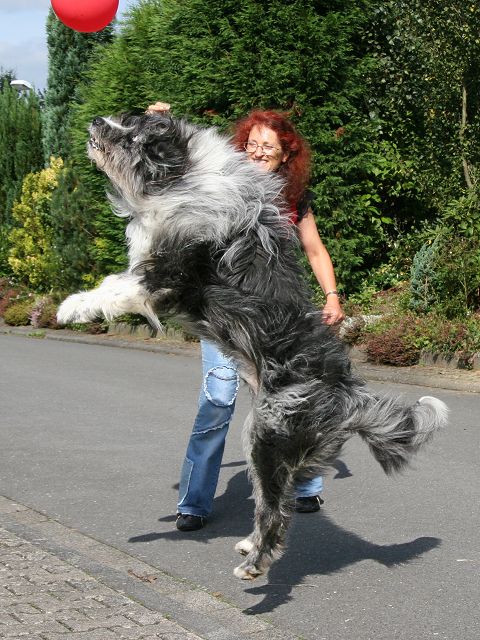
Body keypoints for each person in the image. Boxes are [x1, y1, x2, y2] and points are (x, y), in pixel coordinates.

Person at [147, 103, 345, 531]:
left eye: (267, 148)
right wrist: (159, 122)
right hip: (227, 316)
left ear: (285, 156)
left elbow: (314, 250)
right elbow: (178, 161)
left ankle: (304, 486)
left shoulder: (293, 199)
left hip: (278, 318)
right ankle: (194, 501)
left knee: (291, 400)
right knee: (217, 400)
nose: (256, 152)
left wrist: (331, 295)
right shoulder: (222, 184)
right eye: (251, 144)